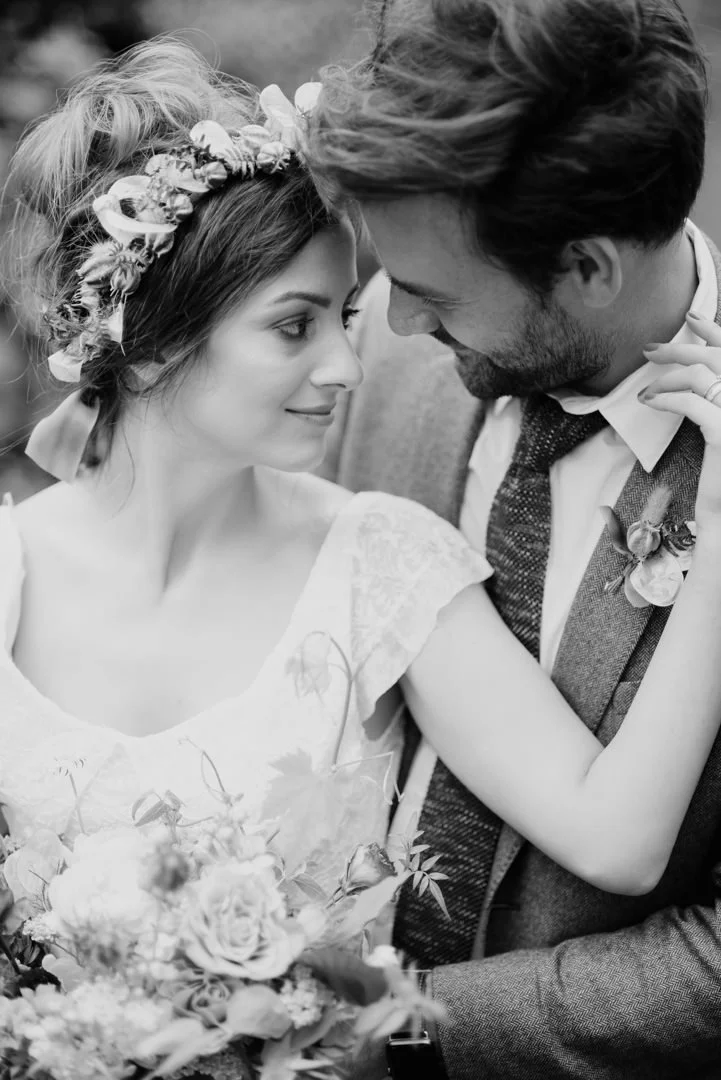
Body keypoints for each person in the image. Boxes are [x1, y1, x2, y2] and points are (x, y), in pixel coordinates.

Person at [3, 31, 721, 1057]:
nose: (364, 348)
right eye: (300, 326)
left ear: (586, 269)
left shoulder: (381, 560)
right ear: (154, 339)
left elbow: (619, 839)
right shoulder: (14, 566)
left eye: (352, 308)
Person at [308, 0, 721, 1076]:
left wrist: (392, 1026)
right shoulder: (384, 373)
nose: (393, 326)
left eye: (430, 291)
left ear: (585, 268)